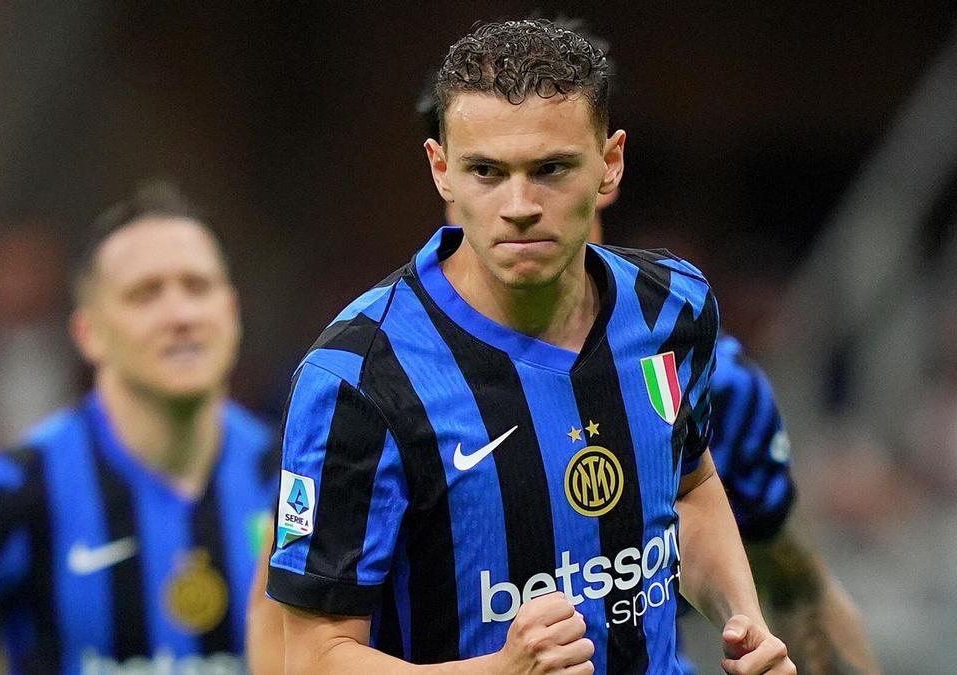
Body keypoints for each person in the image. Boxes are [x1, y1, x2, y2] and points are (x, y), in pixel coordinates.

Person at [264, 19, 796, 674]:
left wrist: (746, 623)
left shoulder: (673, 307)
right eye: (486, 171)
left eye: (551, 169)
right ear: (441, 171)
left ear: (611, 163)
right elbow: (313, 658)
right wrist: (501, 670)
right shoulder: (359, 376)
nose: (519, 204)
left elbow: (691, 486)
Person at [0, 181, 278, 674]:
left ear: (231, 313)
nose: (180, 314)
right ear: (90, 334)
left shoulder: (294, 479)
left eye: (198, 286)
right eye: (145, 294)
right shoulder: (18, 489)